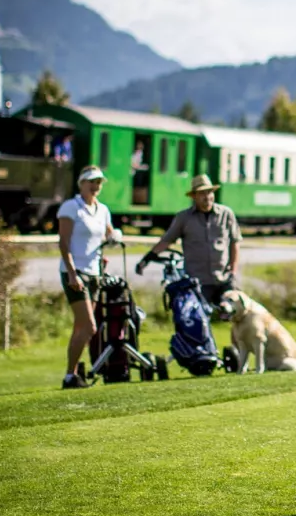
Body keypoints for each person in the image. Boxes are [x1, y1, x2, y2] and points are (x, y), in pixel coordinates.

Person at [58, 165, 123, 389]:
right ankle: (69, 375)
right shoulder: (71, 207)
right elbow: (63, 242)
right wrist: (72, 273)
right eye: (91, 182)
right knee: (90, 327)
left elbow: (109, 232)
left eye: (98, 183)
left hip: (95, 272)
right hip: (75, 272)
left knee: (80, 327)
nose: (95, 186)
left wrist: (114, 237)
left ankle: (73, 374)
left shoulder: (102, 209)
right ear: (81, 184)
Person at [137, 173, 241, 307]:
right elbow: (167, 240)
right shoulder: (184, 218)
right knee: (199, 321)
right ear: (194, 196)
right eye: (202, 193)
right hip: (197, 282)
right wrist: (147, 258)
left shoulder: (226, 214)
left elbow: (235, 242)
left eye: (209, 192)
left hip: (223, 279)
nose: (207, 197)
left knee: (229, 319)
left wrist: (233, 271)